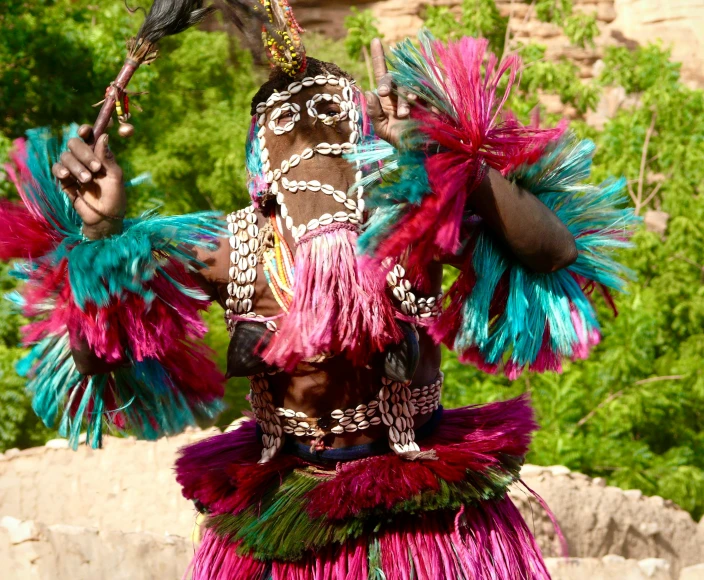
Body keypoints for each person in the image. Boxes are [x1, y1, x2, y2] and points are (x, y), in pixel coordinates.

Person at [1, 3, 635, 577]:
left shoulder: (409, 222)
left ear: (364, 144)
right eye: (288, 130)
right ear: (260, 168)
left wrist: (450, 160)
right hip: (283, 519)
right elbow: (95, 356)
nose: (311, 144)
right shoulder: (228, 251)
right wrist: (101, 231)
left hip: (424, 521)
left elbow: (558, 252)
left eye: (330, 120)